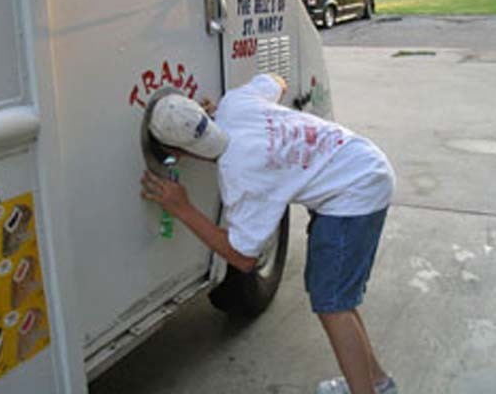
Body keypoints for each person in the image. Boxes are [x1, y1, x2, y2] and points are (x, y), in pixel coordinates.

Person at [141, 73, 397, 394]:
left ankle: (367, 389)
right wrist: (219, 112)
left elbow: (243, 259)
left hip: (354, 192)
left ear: (177, 152)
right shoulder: (236, 103)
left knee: (332, 305)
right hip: (363, 160)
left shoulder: (241, 175)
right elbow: (278, 80)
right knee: (338, 299)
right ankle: (377, 383)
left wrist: (183, 208)